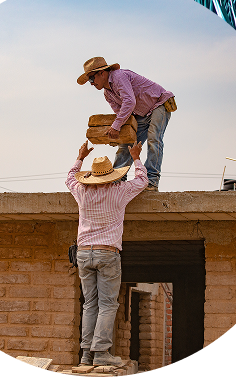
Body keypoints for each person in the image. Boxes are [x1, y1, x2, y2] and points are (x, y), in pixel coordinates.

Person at [66, 139, 147, 366]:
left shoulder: (82, 191)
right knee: (108, 304)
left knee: (90, 304)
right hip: (107, 253)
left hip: (83, 253)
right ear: (111, 175)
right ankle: (101, 353)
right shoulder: (119, 191)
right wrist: (136, 156)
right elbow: (142, 180)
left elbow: (70, 178)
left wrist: (80, 156)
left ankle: (85, 356)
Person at [78, 56, 175, 192]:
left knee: (154, 139)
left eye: (91, 78)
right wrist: (117, 135)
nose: (91, 83)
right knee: (126, 145)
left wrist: (115, 127)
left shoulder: (118, 76)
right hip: (140, 115)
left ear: (102, 73)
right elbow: (123, 115)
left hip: (158, 104)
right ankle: (117, 182)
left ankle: (152, 181)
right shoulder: (107, 94)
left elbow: (129, 102)